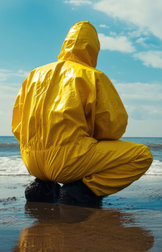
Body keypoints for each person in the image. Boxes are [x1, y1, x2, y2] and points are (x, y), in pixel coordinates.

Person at [12, 21, 153, 207]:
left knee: (66, 157)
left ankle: (43, 186)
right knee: (142, 155)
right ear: (93, 49)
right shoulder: (92, 76)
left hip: (32, 162)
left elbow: (17, 127)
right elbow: (113, 128)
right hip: (69, 162)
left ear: (65, 43)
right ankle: (81, 191)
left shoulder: (34, 75)